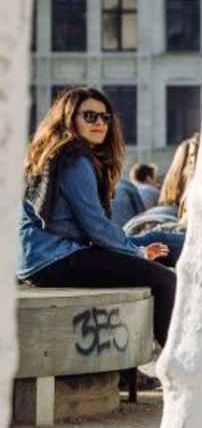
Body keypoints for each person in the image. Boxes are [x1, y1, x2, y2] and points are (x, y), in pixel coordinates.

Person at [17, 87, 177, 351]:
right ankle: (177, 365)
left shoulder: (52, 154)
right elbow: (96, 225)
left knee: (152, 255)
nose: (100, 123)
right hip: (55, 259)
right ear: (69, 118)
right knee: (164, 279)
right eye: (90, 116)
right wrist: (135, 252)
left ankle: (130, 371)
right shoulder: (74, 159)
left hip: (36, 260)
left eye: (105, 117)